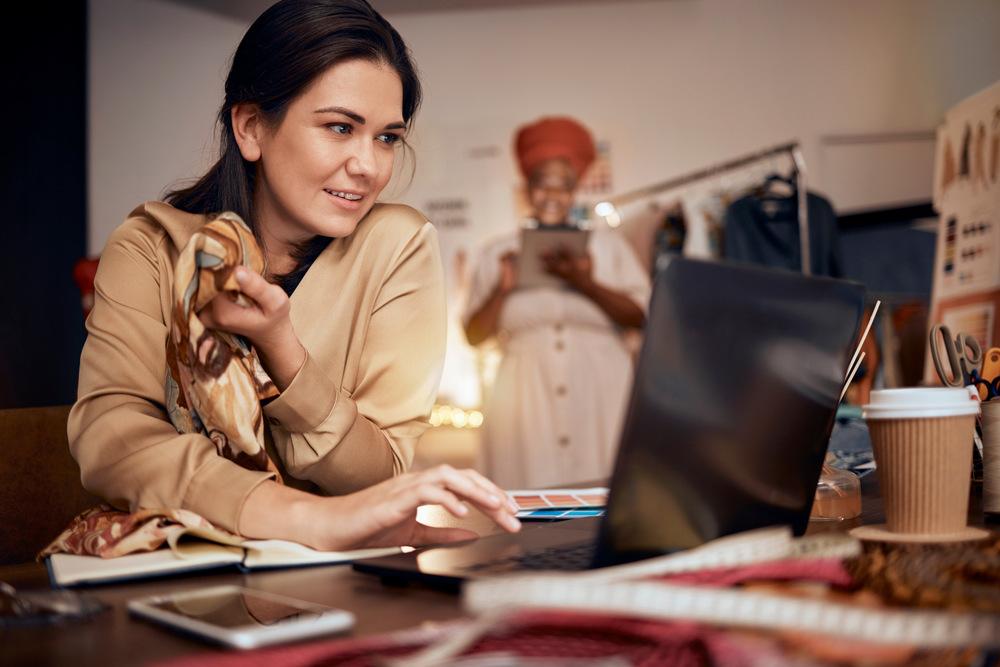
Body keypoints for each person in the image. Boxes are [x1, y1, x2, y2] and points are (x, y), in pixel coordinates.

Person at [68, 0, 519, 553]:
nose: (369, 166)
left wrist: (285, 352)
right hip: (180, 569)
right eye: (339, 127)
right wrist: (306, 518)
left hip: (340, 581)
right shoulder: (153, 247)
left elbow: (381, 475)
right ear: (252, 128)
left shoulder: (397, 244)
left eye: (386, 138)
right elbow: (110, 440)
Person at [463, 117, 651, 489]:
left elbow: (642, 317)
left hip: (601, 394)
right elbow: (473, 336)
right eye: (541, 183)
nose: (552, 194)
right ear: (526, 190)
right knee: (527, 501)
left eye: (563, 185)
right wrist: (503, 289)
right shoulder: (497, 253)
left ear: (574, 191)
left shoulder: (608, 248)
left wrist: (586, 283)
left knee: (604, 497)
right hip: (524, 399)